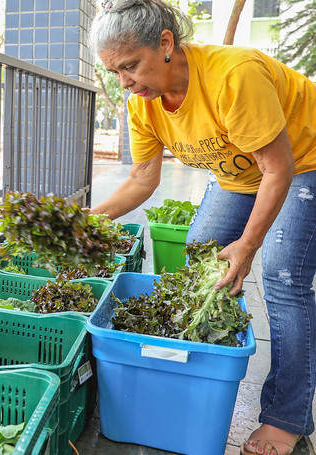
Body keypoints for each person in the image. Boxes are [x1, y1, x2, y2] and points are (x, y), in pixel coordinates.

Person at [88, 0, 316, 453]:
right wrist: (89, 221)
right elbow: (141, 179)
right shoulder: (144, 105)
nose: (124, 82)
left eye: (130, 66)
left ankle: (286, 418)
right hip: (241, 173)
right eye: (115, 72)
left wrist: (247, 246)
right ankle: (203, 354)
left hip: (304, 162)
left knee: (283, 274)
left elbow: (278, 169)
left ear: (166, 43)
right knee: (199, 252)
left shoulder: (234, 75)